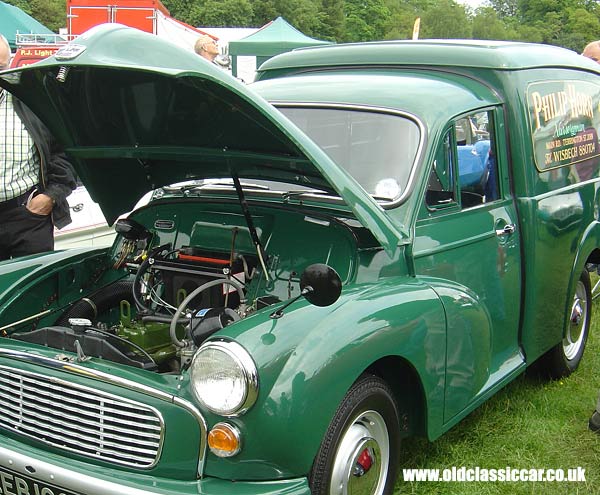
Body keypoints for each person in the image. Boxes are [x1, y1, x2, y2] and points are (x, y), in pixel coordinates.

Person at [0, 33, 76, 260]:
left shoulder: (32, 102)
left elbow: (64, 151)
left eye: (0, 66)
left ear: (9, 64)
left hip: (28, 215)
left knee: (34, 291)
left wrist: (51, 196)